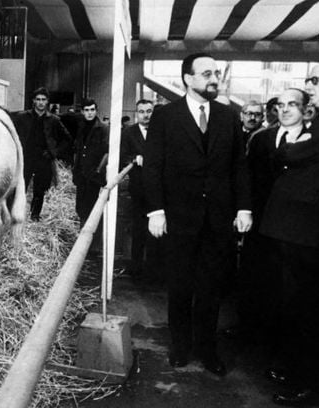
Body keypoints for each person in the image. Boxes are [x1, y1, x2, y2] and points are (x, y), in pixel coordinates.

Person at [142, 52, 252, 376]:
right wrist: (156, 211)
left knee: (211, 288)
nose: (214, 79)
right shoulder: (165, 116)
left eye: (216, 73)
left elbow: (239, 167)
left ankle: (207, 348)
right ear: (187, 79)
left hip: (218, 220)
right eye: (206, 74)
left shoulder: (228, 116)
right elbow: (153, 167)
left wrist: (243, 207)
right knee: (179, 286)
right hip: (179, 218)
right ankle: (180, 346)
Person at [260, 61, 319, 406]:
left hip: (316, 232)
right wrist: (301, 146)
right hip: (305, 230)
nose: (309, 85)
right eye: (309, 79)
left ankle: (314, 386)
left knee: (312, 311)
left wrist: (296, 148)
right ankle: (301, 371)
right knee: (299, 306)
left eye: (315, 80)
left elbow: (295, 152)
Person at [227, 88, 308, 347]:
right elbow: (247, 178)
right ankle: (247, 329)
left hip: (294, 227)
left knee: (286, 285)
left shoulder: (314, 140)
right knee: (252, 277)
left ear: (305, 110)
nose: (284, 110)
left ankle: (280, 340)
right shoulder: (262, 139)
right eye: (281, 105)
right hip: (260, 222)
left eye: (292, 105)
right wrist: (244, 210)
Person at [13, 87, 71, 221]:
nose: (40, 102)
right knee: (20, 188)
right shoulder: (22, 117)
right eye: (38, 99)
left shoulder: (54, 120)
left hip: (44, 159)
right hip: (26, 158)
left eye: (43, 100)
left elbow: (67, 139)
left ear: (47, 102)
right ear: (33, 101)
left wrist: (54, 152)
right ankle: (17, 216)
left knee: (39, 190)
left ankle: (34, 216)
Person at [120, 99, 153, 278]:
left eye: (149, 111)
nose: (146, 115)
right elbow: (123, 155)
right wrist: (134, 159)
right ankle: (137, 266)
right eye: (142, 111)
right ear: (136, 114)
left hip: (157, 188)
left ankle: (154, 267)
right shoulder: (129, 132)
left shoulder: (159, 131)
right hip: (139, 187)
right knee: (139, 226)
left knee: (157, 228)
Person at [72, 98, 109, 243]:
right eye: (87, 110)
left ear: (96, 110)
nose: (89, 113)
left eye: (92, 110)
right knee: (81, 207)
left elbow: (107, 152)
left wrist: (98, 171)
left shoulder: (103, 128)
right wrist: (76, 171)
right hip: (82, 174)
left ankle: (93, 244)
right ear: (82, 112)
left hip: (95, 176)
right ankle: (82, 240)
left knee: (93, 209)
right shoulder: (81, 127)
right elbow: (79, 150)